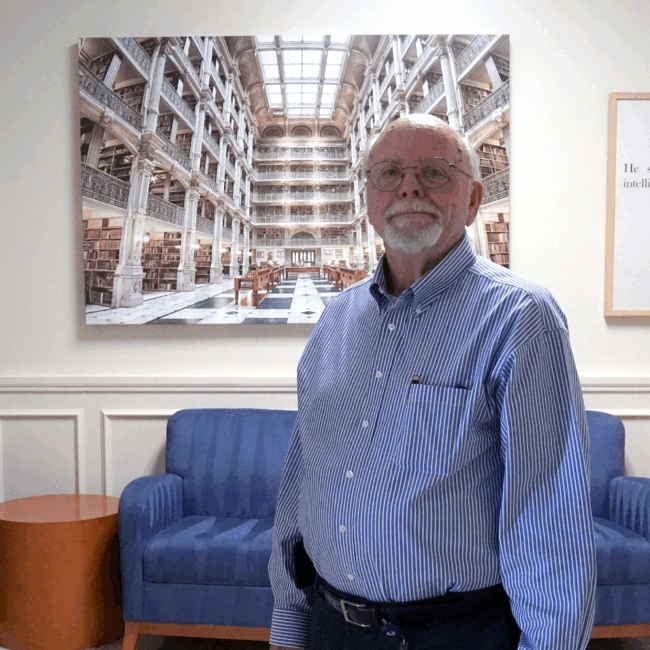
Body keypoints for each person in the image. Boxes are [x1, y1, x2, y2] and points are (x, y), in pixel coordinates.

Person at [268, 114, 596, 650]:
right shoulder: (335, 321)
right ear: (369, 199)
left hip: (451, 634)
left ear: (472, 200)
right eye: (389, 172)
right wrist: (291, 619)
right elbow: (303, 483)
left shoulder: (519, 318)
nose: (409, 186)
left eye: (435, 172)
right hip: (331, 627)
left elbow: (548, 516)